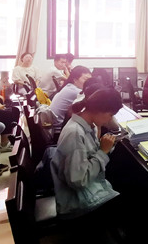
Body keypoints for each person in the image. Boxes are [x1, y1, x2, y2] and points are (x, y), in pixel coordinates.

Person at [50, 87, 123, 219]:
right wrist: (103, 152)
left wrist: (106, 147)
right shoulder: (75, 133)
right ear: (100, 110)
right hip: (79, 202)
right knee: (135, 199)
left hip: (88, 191)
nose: (110, 119)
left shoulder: (86, 125)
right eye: (111, 115)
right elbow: (78, 180)